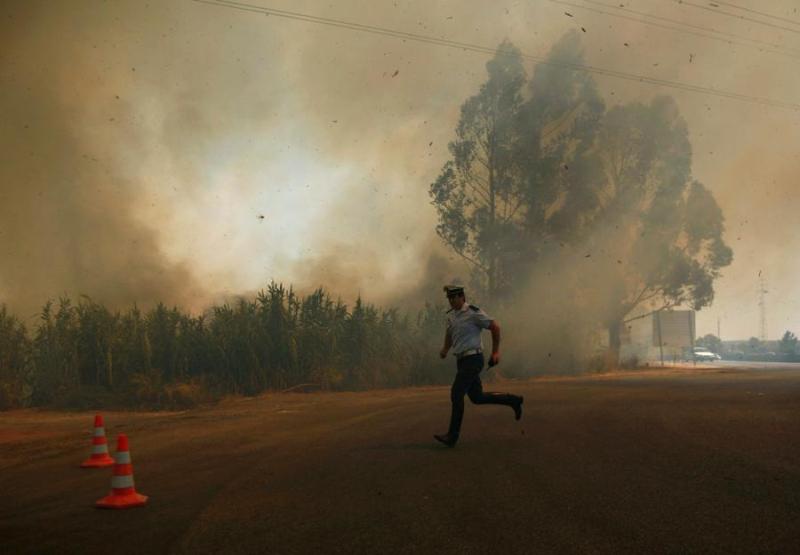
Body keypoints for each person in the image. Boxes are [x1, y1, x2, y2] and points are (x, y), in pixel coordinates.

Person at [434, 285, 523, 448]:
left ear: (462, 297)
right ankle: (513, 400)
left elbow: (495, 327)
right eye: (449, 298)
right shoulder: (451, 317)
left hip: (473, 359)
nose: (451, 301)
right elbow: (449, 334)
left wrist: (495, 352)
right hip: (461, 360)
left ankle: (452, 436)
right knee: (477, 397)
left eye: (454, 297)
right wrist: (445, 349)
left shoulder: (473, 313)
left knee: (456, 393)